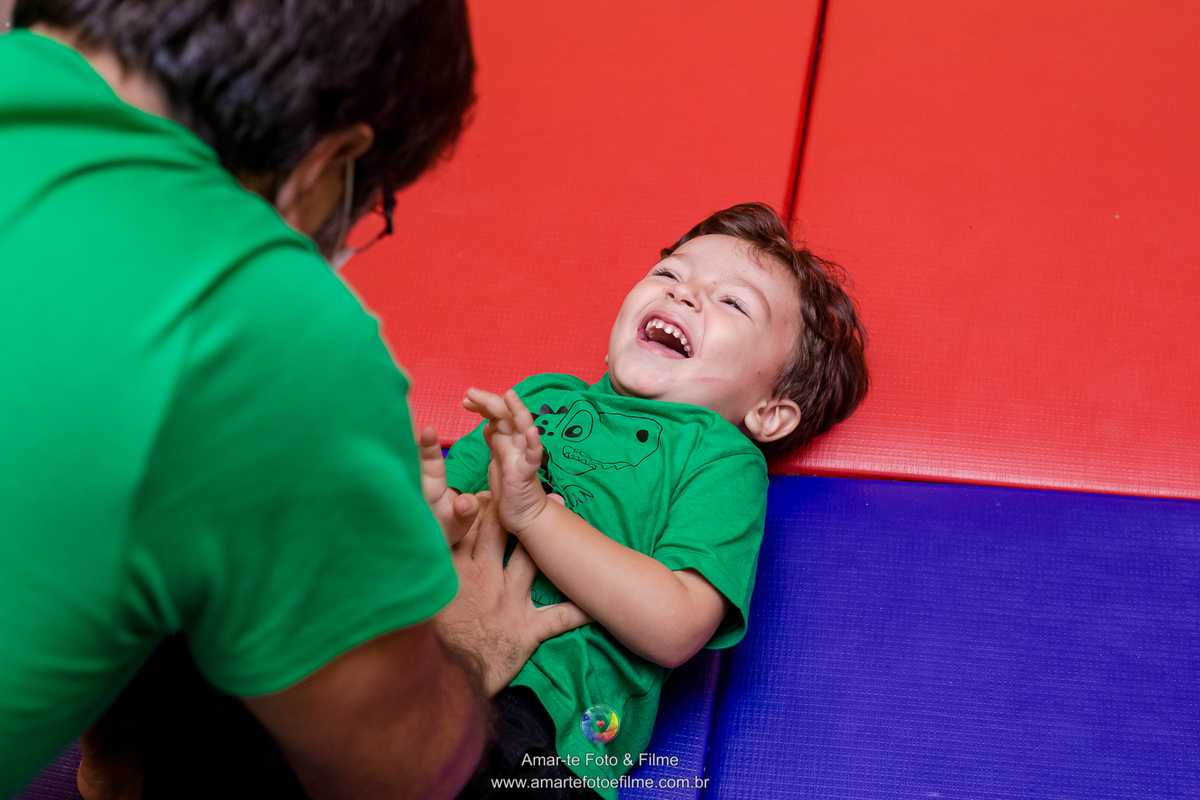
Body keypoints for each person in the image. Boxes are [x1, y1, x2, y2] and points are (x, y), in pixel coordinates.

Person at [0, 2, 585, 798]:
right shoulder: (262, 323)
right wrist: (464, 636)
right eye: (364, 204)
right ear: (329, 162)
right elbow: (401, 769)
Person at [420, 203, 870, 799]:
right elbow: (429, 534)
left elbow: (678, 624)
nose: (684, 295)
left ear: (769, 412)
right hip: (411, 650)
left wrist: (534, 513)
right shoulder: (541, 398)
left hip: (547, 718)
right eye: (670, 274)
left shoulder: (720, 458)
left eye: (733, 303)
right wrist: (427, 512)